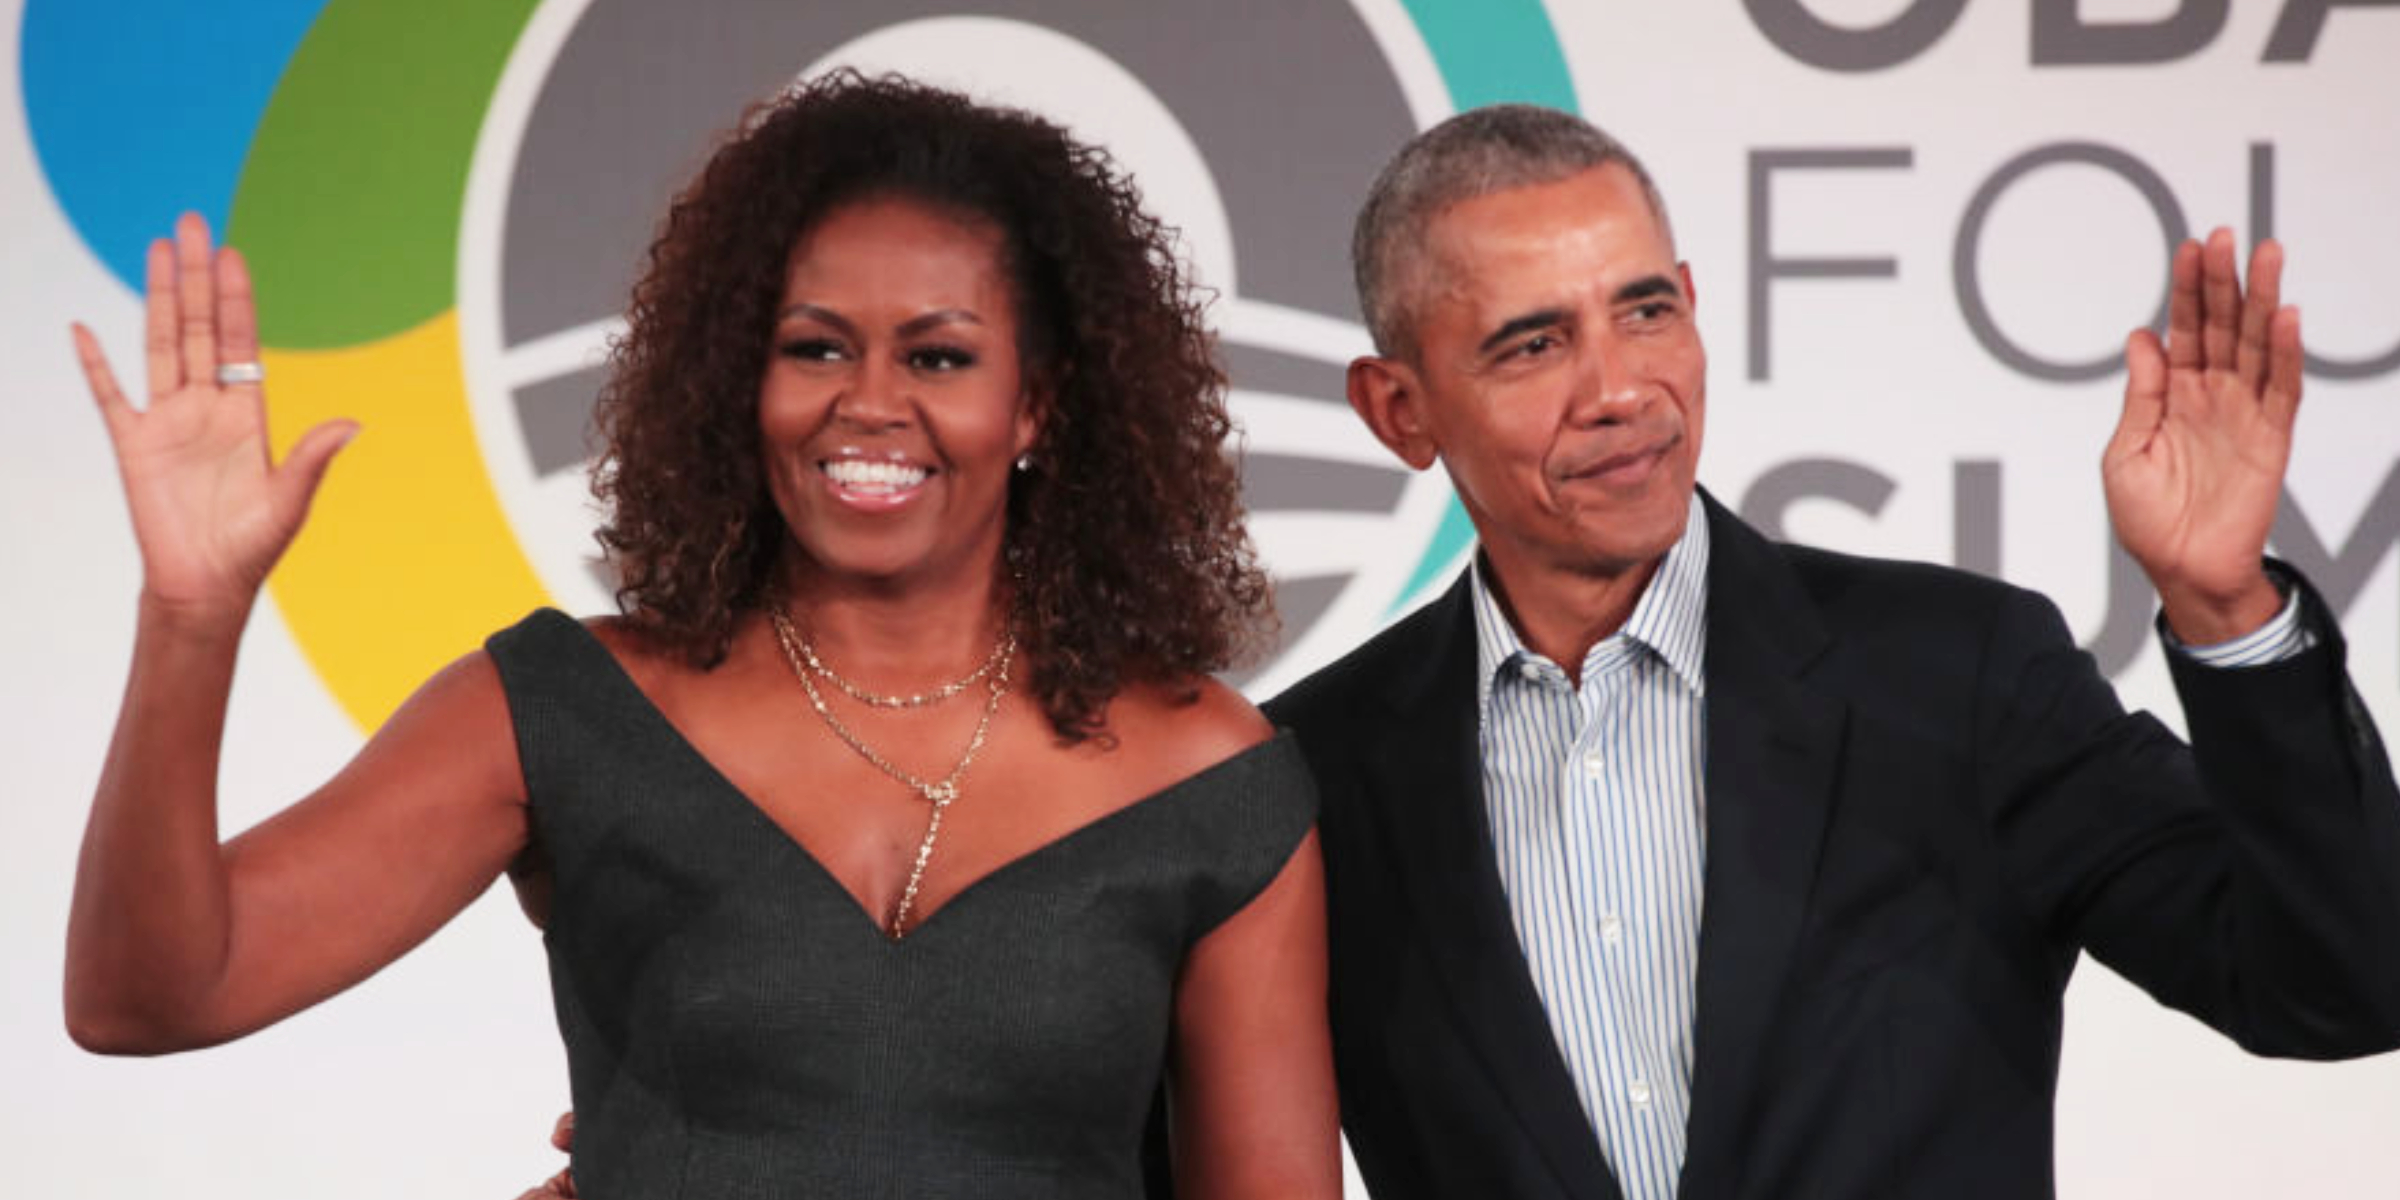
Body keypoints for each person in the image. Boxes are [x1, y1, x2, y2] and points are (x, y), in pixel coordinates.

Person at [63, 72, 1338, 1200]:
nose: (869, 403)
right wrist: (192, 617)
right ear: (742, 381)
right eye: (813, 347)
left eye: (941, 358)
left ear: (1038, 407)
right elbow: (151, 996)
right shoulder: (568, 710)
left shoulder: (1205, 778)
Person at [1259, 105, 2400, 1199]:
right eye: (1535, 344)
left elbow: (2343, 987)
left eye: (1647, 311)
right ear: (1398, 410)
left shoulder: (1961, 676)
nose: (1619, 390)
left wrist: (2226, 610)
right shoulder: (1311, 775)